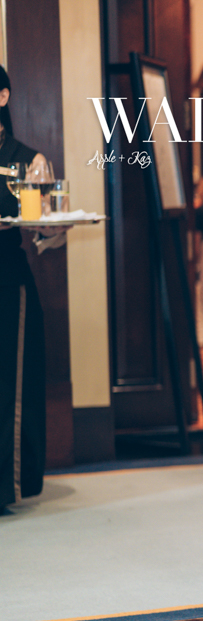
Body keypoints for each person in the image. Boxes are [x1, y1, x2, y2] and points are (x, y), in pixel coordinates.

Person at [1, 64, 61, 510]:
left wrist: (53, 226)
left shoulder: (28, 160)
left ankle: (5, 486)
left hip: (6, 278)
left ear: (2, 97)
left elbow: (44, 231)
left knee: (7, 385)